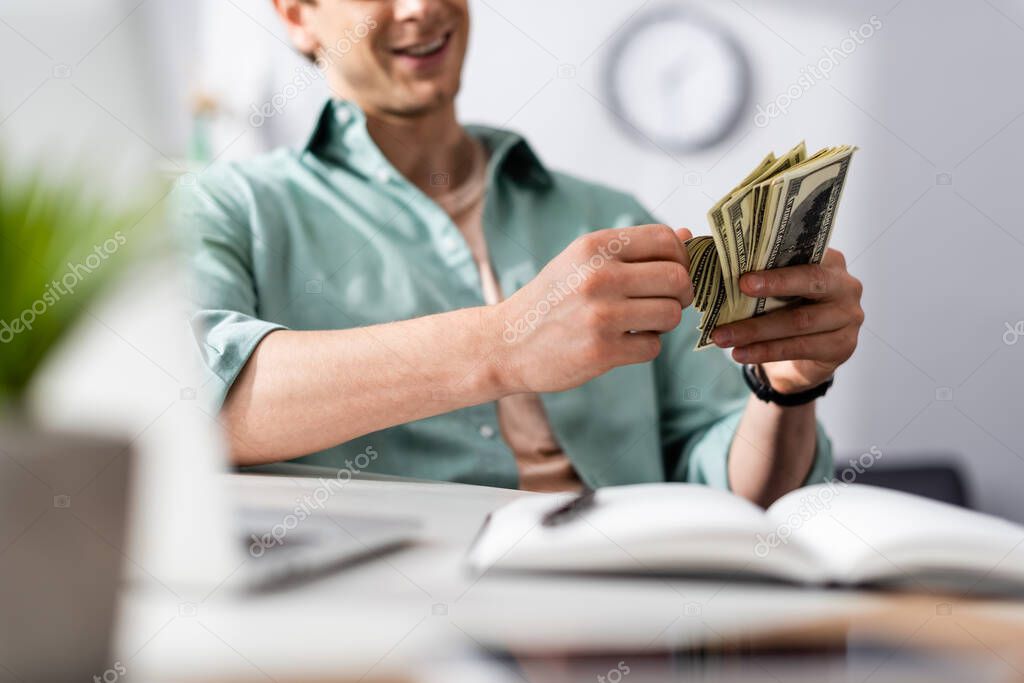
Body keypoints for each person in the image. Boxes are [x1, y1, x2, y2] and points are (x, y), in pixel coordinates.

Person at [178, 0, 864, 506]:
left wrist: (784, 389)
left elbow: (735, 492)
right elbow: (186, 401)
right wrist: (504, 343)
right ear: (298, 16)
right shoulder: (228, 207)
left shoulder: (610, 218)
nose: (421, 9)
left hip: (631, 615)